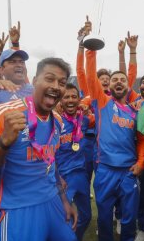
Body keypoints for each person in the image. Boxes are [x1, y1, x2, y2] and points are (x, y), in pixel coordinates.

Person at [0, 57, 78, 240]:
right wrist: (3, 143)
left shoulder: (58, 120)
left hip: (52, 201)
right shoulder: (2, 113)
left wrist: (63, 199)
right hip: (17, 208)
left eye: (62, 83)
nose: (56, 86)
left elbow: (50, 161)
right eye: (49, 78)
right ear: (34, 81)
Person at [85, 49, 144, 241]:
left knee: (129, 218)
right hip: (105, 170)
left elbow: (143, 140)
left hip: (128, 171)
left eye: (122, 80)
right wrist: (91, 50)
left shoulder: (135, 111)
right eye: (114, 80)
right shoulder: (102, 102)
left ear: (129, 87)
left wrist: (141, 163)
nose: (118, 82)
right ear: (108, 86)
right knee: (104, 218)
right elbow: (89, 76)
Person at [55, 83, 94, 241]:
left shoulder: (84, 120)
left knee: (86, 216)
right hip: (63, 178)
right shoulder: (55, 121)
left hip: (82, 176)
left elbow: (99, 105)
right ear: (60, 101)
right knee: (63, 218)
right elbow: (48, 154)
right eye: (66, 97)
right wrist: (57, 178)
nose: (70, 100)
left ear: (79, 99)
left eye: (74, 96)